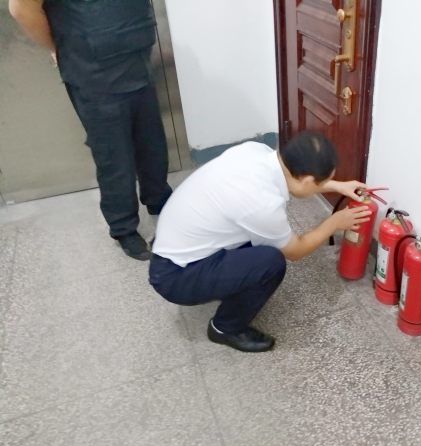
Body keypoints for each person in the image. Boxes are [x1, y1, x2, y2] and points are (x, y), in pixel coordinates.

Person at [150, 133, 372, 352]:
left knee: (263, 241)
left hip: (173, 243)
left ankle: (226, 286)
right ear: (306, 180)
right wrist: (334, 223)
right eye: (322, 182)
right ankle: (224, 328)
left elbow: (299, 183)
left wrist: (338, 186)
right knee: (271, 262)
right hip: (174, 276)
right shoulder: (263, 204)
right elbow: (296, 251)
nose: (325, 184)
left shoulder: (256, 152)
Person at [9, 0, 172, 260]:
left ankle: (158, 198)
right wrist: (61, 47)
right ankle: (123, 227)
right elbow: (21, 9)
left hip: (137, 59)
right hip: (94, 73)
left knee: (151, 141)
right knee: (114, 156)